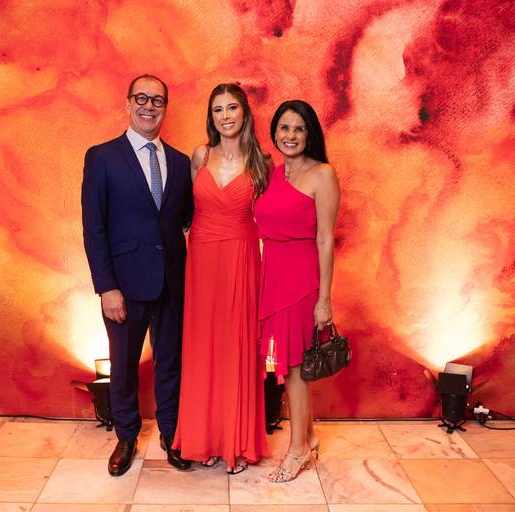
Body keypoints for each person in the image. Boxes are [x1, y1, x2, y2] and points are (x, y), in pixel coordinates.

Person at [81, 74, 193, 476]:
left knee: (171, 363)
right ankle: (126, 437)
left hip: (173, 282)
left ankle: (171, 433)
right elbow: (94, 228)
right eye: (141, 98)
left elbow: (184, 220)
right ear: (128, 103)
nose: (149, 106)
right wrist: (106, 287)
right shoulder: (102, 157)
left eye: (157, 100)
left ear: (165, 108)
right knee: (124, 365)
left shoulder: (180, 162)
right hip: (124, 286)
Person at [173, 83, 270, 474]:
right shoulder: (200, 155)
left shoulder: (262, 162)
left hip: (242, 258)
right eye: (218, 110)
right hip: (201, 259)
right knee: (203, 347)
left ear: (244, 113)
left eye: (232, 108)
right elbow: (183, 209)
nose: (225, 116)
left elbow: (275, 216)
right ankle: (205, 439)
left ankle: (236, 442)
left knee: (236, 346)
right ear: (210, 117)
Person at [255, 100, 340, 483]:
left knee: (293, 367)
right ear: (275, 132)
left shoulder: (322, 174)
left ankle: (297, 451)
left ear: (310, 134)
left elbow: (325, 239)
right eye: (284, 128)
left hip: (302, 281)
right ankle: (309, 435)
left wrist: (324, 298)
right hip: (271, 274)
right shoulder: (271, 173)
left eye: (299, 128)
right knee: (287, 364)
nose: (290, 135)